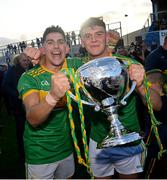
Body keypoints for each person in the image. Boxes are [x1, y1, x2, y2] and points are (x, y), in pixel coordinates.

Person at [23, 18, 161, 179]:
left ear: (107, 38)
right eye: (88, 36)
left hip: (128, 139)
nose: (93, 39)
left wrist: (141, 86)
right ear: (81, 42)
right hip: (97, 140)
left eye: (98, 34)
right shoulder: (78, 67)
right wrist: (38, 55)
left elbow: (157, 105)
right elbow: (54, 60)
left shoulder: (127, 64)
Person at [17, 25, 83, 179]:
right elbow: (32, 118)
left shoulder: (74, 66)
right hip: (40, 153)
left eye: (60, 42)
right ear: (43, 48)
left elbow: (97, 62)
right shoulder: (30, 77)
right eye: (50, 42)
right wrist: (53, 96)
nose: (56, 46)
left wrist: (111, 44)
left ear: (67, 47)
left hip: (67, 148)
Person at [2, 53, 32, 165]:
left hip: (31, 104)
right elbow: (5, 86)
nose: (26, 62)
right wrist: (18, 95)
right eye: (24, 60)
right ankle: (22, 154)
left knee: (34, 126)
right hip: (18, 106)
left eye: (28, 60)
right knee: (21, 129)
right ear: (18, 61)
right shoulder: (12, 70)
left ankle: (35, 148)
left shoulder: (31, 69)